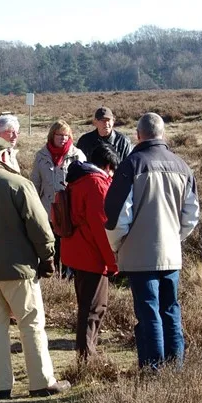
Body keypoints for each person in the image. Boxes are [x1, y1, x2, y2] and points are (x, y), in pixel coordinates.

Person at [0, 135, 71, 399]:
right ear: (5, 156)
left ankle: (2, 385)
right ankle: (41, 382)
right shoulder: (19, 184)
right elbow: (40, 228)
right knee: (31, 324)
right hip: (19, 270)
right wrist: (47, 257)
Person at [104, 113, 199, 370]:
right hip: (171, 254)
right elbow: (191, 215)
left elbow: (117, 217)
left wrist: (119, 245)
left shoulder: (131, 165)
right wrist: (174, 238)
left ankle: (153, 371)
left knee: (149, 314)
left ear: (138, 135)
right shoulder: (182, 166)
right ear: (163, 134)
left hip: (139, 256)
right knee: (171, 310)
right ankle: (175, 369)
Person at [62, 145, 119, 360]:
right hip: (91, 255)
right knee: (94, 309)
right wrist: (112, 262)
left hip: (77, 251)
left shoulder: (78, 180)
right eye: (112, 171)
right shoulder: (96, 183)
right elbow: (101, 228)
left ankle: (85, 353)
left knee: (87, 306)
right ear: (107, 166)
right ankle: (86, 357)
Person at [31, 120, 86, 277]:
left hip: (70, 210)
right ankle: (51, 274)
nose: (63, 138)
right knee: (50, 243)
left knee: (68, 245)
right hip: (47, 209)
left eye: (66, 135)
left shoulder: (77, 155)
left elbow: (84, 182)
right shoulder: (41, 156)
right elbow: (35, 183)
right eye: (59, 135)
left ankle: (68, 276)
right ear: (52, 135)